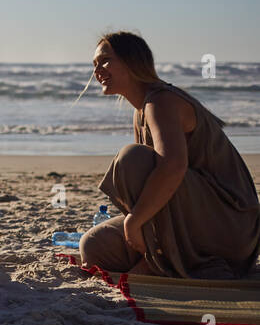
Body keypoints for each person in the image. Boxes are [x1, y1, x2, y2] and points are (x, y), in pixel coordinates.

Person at [78, 31, 260, 279]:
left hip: (231, 227)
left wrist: (133, 222)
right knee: (94, 244)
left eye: (105, 60)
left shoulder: (161, 102)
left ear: (132, 61)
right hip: (193, 217)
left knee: (131, 159)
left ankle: (160, 262)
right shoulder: (141, 110)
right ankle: (162, 258)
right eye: (95, 64)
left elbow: (173, 166)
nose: (97, 70)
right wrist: (137, 223)